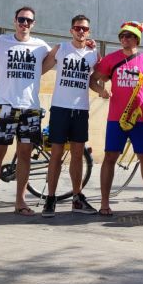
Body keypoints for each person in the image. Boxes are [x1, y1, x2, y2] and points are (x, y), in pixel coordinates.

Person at [0, 7, 53, 218]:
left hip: (30, 108)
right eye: (21, 20)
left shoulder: (40, 46)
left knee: (24, 156)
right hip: (5, 107)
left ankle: (20, 202)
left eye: (29, 21)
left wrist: (89, 45)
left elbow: (58, 56)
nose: (25, 24)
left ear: (34, 24)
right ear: (15, 21)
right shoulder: (0, 42)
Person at [40, 14, 109, 217]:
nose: (81, 31)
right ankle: (50, 199)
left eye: (84, 29)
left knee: (78, 154)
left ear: (89, 32)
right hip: (60, 108)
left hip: (80, 110)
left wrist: (101, 91)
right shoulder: (61, 48)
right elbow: (40, 69)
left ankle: (77, 198)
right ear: (71, 30)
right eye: (77, 28)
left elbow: (96, 78)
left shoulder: (92, 53)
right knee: (56, 154)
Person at [90, 21, 143, 216]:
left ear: (137, 39)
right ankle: (104, 203)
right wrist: (101, 91)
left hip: (141, 119)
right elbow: (93, 79)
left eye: (128, 36)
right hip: (116, 118)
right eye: (122, 36)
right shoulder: (111, 59)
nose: (124, 39)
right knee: (110, 157)